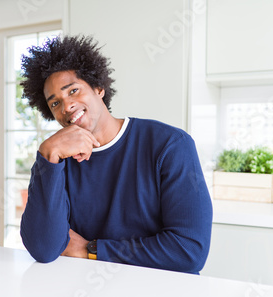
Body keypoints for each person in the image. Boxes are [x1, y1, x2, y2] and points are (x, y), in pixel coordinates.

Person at [19, 35, 213, 274]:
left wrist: (91, 250)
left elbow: (188, 251)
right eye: (55, 104)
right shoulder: (58, 160)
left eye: (73, 90)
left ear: (99, 88)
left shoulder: (169, 145)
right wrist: (48, 155)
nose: (66, 106)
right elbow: (44, 249)